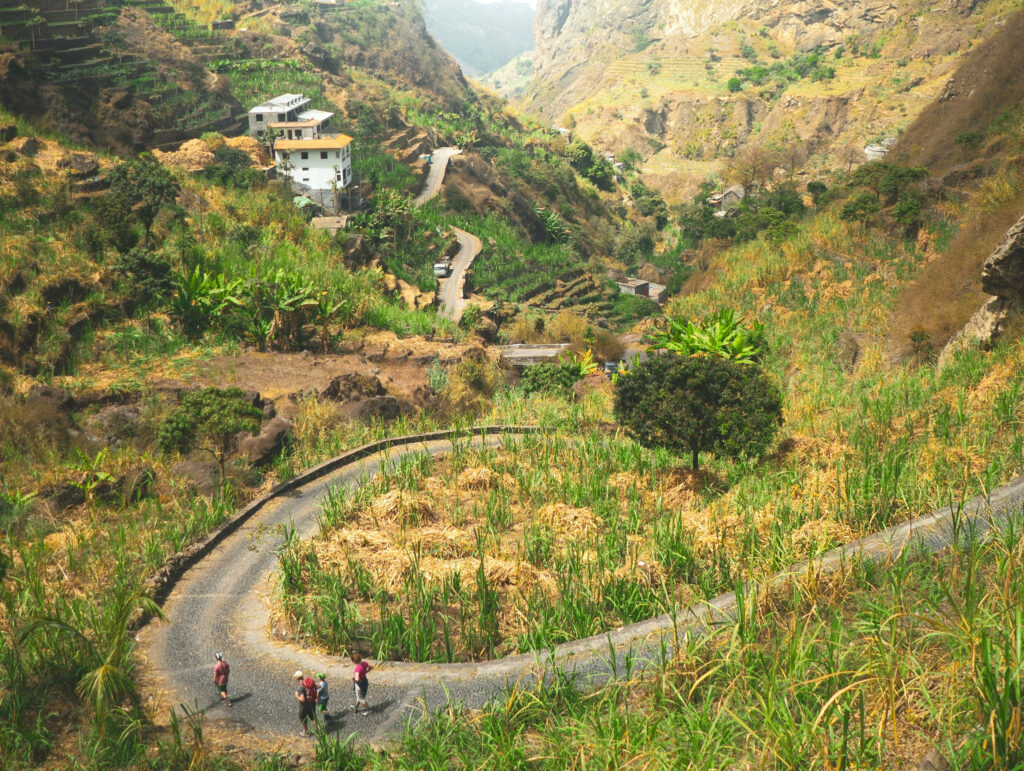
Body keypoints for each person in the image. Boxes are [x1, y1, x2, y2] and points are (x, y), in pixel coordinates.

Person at [294, 670, 317, 736]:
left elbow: (302, 699)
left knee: (303, 718)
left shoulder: (300, 687)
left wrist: (296, 695)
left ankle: (305, 732)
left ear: (297, 678)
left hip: (304, 706)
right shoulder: (308, 682)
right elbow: (316, 686)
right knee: (313, 717)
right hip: (312, 703)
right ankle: (320, 731)